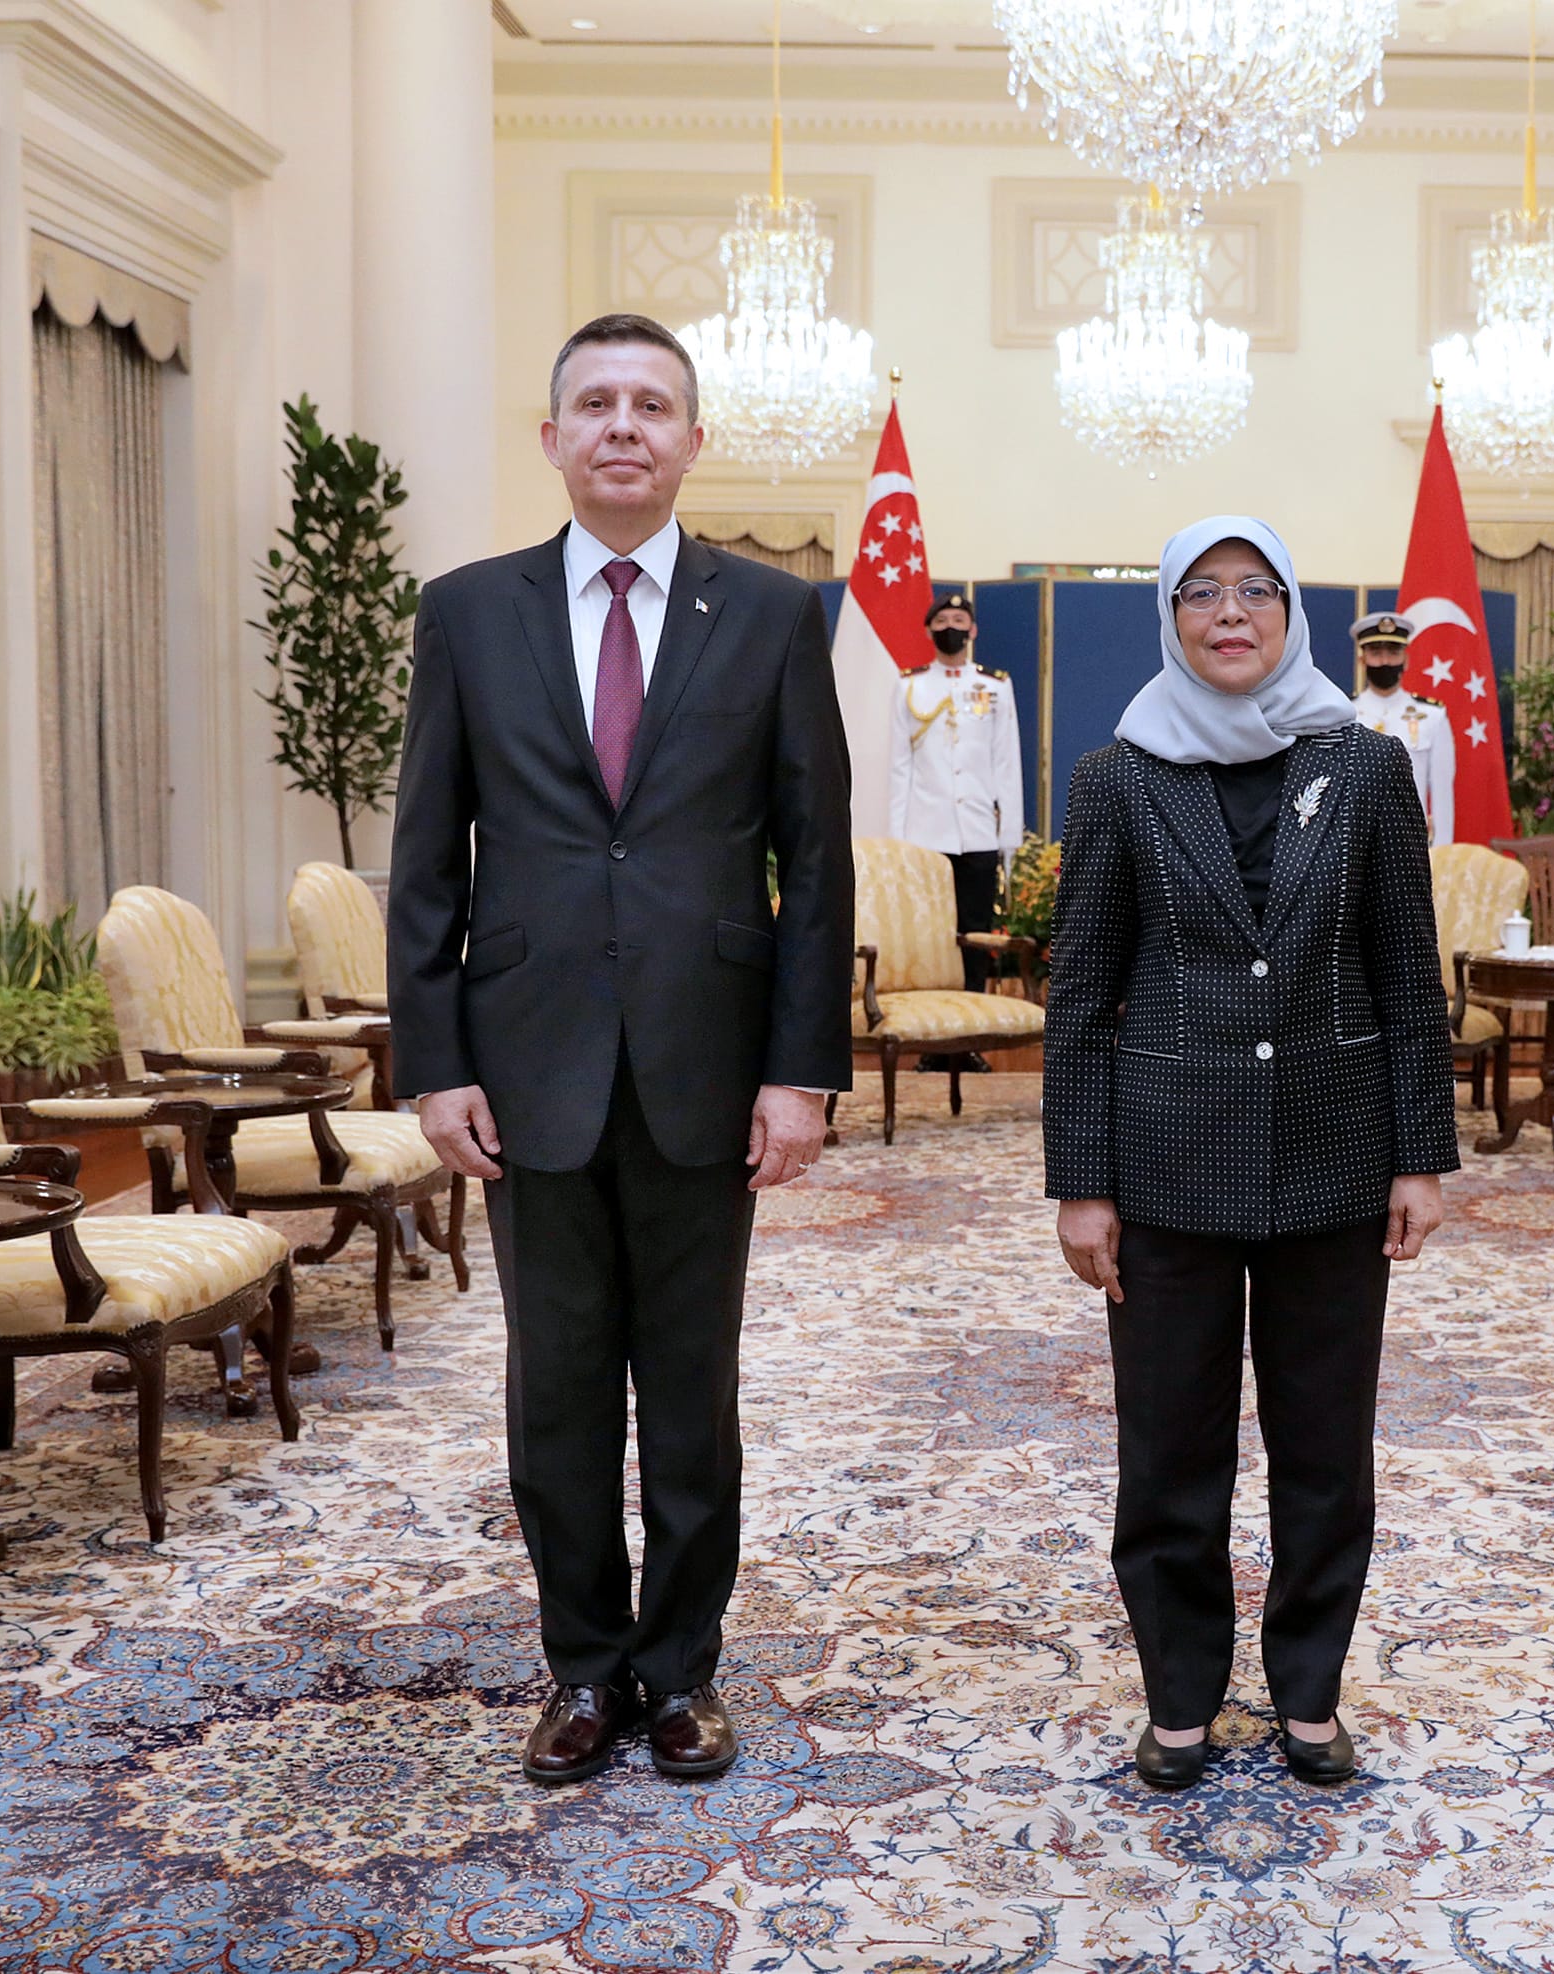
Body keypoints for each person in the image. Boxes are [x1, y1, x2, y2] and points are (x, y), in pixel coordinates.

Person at [388, 313, 852, 1787]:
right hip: (526, 1071)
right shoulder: (467, 612)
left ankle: (682, 1672)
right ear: (552, 438)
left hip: (706, 1066)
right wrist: (434, 1058)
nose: (624, 427)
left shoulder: (773, 617)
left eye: (653, 404)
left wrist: (801, 1069)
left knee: (693, 1388)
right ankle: (584, 1667)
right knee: (559, 1387)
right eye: (595, 402)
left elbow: (815, 859)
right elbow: (427, 864)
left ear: (694, 440)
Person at [1045, 516, 1459, 1793]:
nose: (1231, 615)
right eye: (1203, 595)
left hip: (1337, 1159)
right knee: (1168, 1449)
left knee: (1325, 1449)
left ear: (1293, 615)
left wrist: (1420, 1155)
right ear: (1170, 618)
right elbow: (1081, 992)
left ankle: (1309, 1693)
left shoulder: (1368, 765)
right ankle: (1178, 1696)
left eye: (1256, 592)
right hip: (1166, 1166)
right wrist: (1080, 1180)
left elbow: (1404, 971)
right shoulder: (1117, 777)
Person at [889, 592, 1023, 1056]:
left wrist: (1009, 839)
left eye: (959, 618)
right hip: (926, 835)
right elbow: (898, 768)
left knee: (976, 931)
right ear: (928, 630)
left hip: (979, 833)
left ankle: (972, 1041)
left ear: (973, 630)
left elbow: (1007, 765)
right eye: (942, 619)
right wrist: (899, 841)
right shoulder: (909, 686)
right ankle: (934, 1042)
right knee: (934, 939)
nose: (951, 625)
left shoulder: (996, 686)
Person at [1349, 611, 1457, 847]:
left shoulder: (1432, 716)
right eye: (1376, 653)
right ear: (1362, 660)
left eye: (1393, 652)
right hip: (1357, 844)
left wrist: (1440, 855)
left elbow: (1442, 796)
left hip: (1411, 844)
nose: (1385, 661)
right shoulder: (1344, 715)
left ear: (1406, 659)